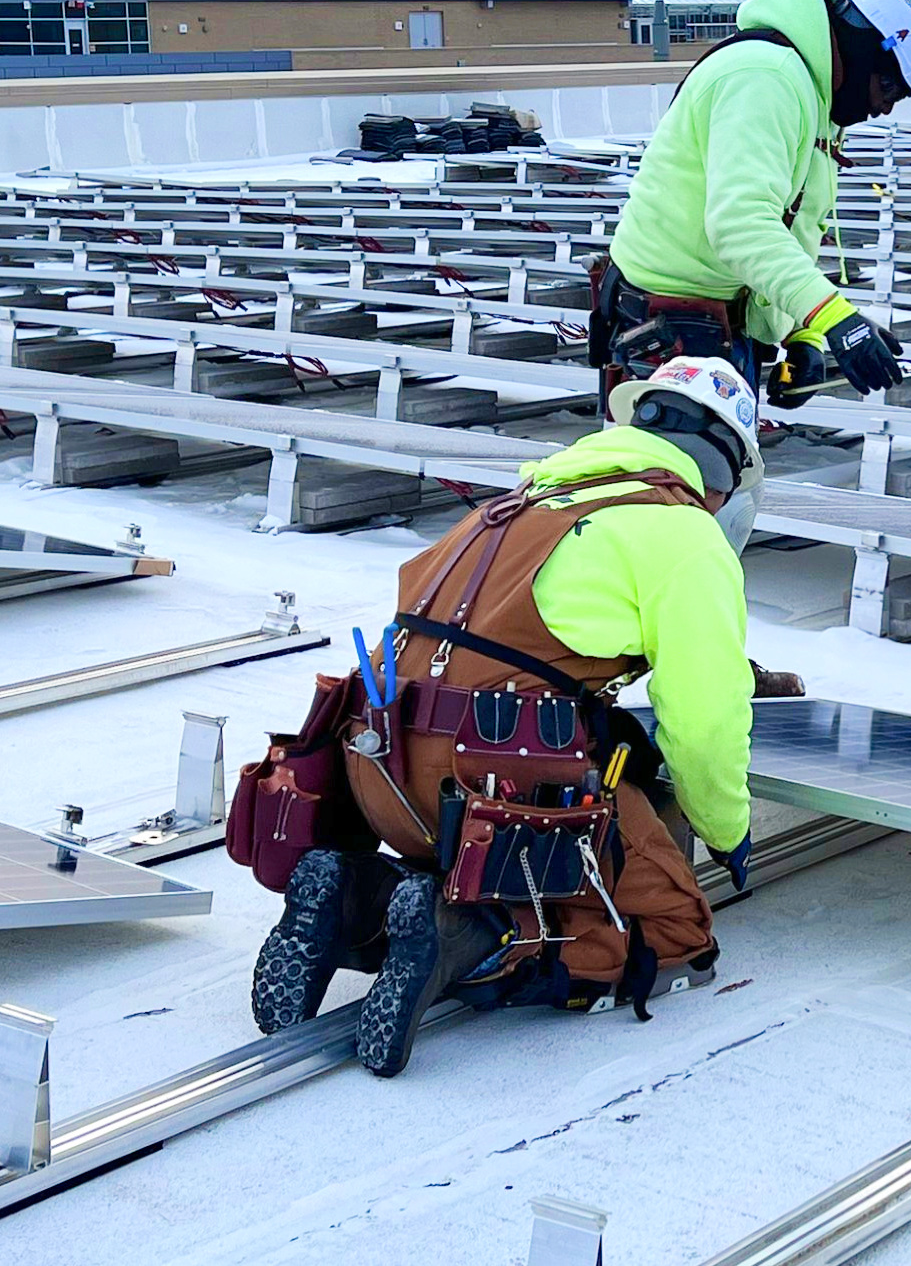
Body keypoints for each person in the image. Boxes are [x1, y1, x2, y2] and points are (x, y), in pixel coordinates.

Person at [250, 357, 770, 1077]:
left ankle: (352, 897)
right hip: (498, 783)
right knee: (670, 933)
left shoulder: (518, 502)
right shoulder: (683, 532)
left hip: (380, 772)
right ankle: (470, 932)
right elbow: (705, 721)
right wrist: (727, 828)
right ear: (725, 470)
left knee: (484, 838)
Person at [590, 0, 911, 408]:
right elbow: (740, 224)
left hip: (714, 322)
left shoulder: (815, 93)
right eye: (890, 88)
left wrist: (801, 331)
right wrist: (832, 315)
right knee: (666, 474)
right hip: (671, 326)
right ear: (866, 47)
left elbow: (792, 223)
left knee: (710, 474)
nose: (882, 109)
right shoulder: (765, 79)